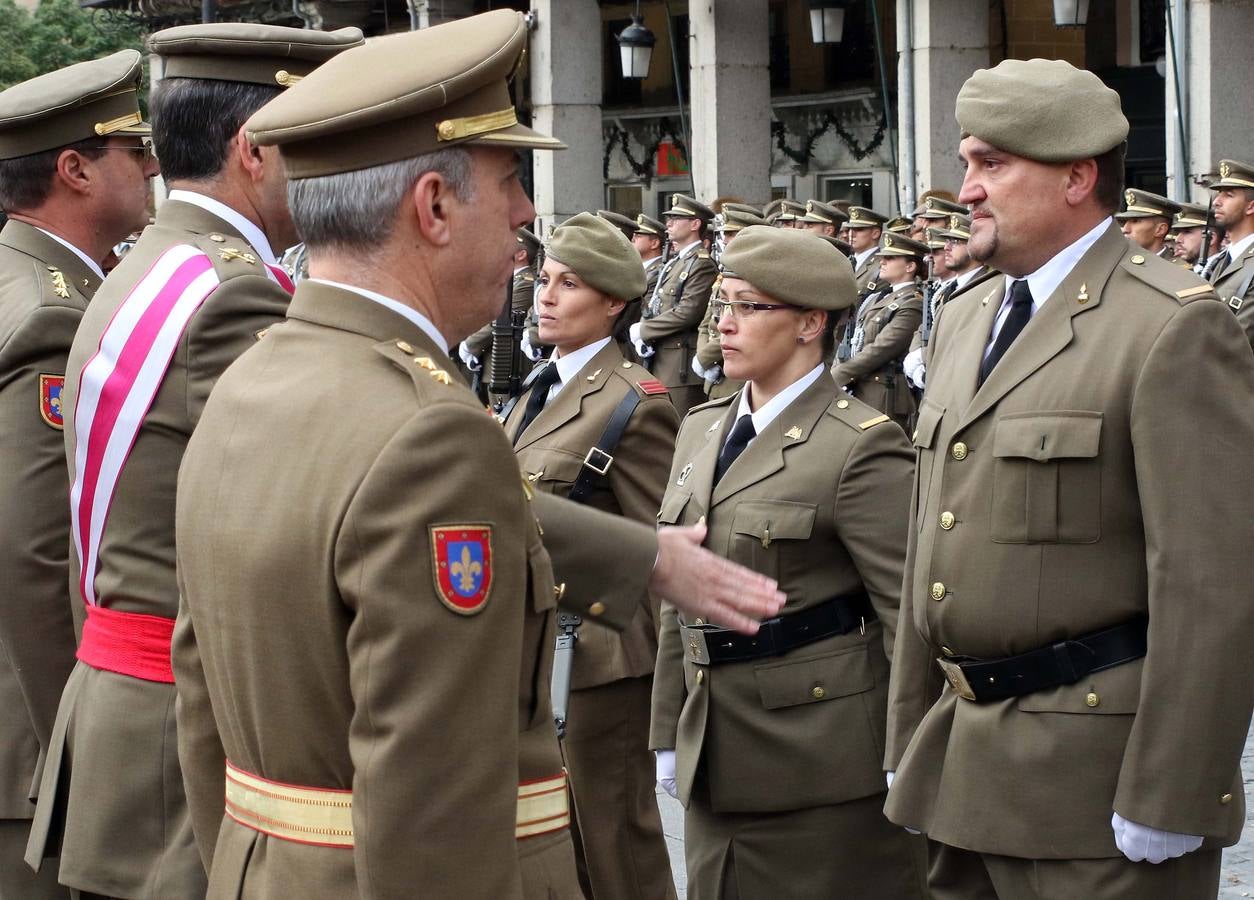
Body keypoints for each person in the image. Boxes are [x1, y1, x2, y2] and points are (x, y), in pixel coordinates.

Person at [171, 12, 784, 897]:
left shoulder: (247, 380)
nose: (529, 215)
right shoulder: (432, 434)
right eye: (509, 181)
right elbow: (435, 804)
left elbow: (201, 711)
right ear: (433, 206)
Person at [884, 58, 1254, 900]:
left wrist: (1174, 790)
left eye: (992, 164)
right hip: (960, 768)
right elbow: (929, 539)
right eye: (966, 162)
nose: (965, 189)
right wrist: (908, 740)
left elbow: (1213, 583)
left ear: (1077, 178)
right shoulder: (967, 315)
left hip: (1094, 790)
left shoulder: (1169, 326)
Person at [26, 24, 364, 899]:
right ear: (253, 151)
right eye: (316, 141)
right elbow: (346, 487)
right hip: (177, 747)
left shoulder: (145, 268)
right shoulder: (230, 293)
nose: (332, 167)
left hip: (125, 715)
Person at [651, 225, 926, 900]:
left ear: (810, 323)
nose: (726, 323)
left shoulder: (860, 446)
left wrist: (907, 750)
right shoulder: (701, 427)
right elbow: (678, 587)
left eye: (749, 306)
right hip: (715, 750)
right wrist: (666, 726)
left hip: (821, 759)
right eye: (722, 304)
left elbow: (907, 613)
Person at [0, 51, 157, 900]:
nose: (153, 163)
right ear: (74, 170)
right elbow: (34, 550)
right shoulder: (53, 315)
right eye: (133, 149)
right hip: (30, 756)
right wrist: (83, 747)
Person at [503, 213, 678, 900]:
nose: (545, 296)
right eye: (544, 280)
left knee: (611, 841)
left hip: (604, 667)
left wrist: (668, 702)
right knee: (554, 842)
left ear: (612, 303)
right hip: (541, 653)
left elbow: (657, 553)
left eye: (568, 284)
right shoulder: (536, 389)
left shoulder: (633, 403)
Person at [630, 194, 718, 417]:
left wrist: (645, 330)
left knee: (678, 428)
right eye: (669, 218)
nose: (668, 223)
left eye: (676, 218)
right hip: (661, 359)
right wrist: (645, 331)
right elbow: (655, 305)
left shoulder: (702, 264)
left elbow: (688, 312)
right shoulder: (675, 263)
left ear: (695, 224)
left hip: (681, 366)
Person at [831, 232, 926, 429]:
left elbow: (881, 349)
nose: (882, 261)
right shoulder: (878, 298)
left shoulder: (913, 303)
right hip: (859, 386)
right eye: (883, 257)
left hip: (883, 393)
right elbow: (853, 338)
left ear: (910, 266)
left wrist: (840, 374)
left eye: (890, 258)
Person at [903, 212, 1001, 390]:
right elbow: (925, 327)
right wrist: (914, 360)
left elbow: (966, 338)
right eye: (947, 241)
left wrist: (923, 355)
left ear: (974, 245)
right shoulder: (946, 290)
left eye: (956, 242)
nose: (947, 247)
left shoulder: (987, 288)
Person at [459, 227, 540, 404]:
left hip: (507, 368)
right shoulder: (508, 280)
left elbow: (500, 318)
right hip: (492, 364)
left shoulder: (525, 283)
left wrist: (470, 345)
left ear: (521, 255)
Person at [693, 208, 767, 401]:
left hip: (737, 380)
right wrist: (703, 357)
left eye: (733, 234)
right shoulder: (725, 274)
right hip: (716, 376)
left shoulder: (756, 279)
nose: (725, 239)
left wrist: (705, 358)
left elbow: (743, 324)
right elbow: (707, 324)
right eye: (726, 233)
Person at [1207, 159, 1254, 350]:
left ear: (1251, 207)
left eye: (1229, 195)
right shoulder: (1220, 261)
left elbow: (1240, 339)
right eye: (1218, 195)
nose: (1217, 202)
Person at [1116, 188, 1181, 259]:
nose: (1125, 229)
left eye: (1135, 221)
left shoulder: (1178, 269)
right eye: (1125, 221)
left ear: (1160, 230)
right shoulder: (1118, 265)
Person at [1169, 202, 1222, 272]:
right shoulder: (1188, 271)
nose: (1177, 239)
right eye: (1178, 232)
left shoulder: (1220, 272)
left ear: (1211, 238)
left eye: (1187, 232)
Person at [845, 206, 886, 295]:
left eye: (859, 229)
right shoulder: (845, 262)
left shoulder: (883, 265)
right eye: (850, 229)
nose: (851, 234)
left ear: (875, 233)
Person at [633, 212, 668, 301]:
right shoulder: (636, 267)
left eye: (638, 236)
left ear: (654, 243)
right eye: (633, 235)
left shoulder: (659, 272)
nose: (632, 239)